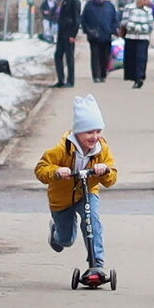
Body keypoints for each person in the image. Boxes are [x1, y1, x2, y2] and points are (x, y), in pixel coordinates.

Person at [34, 94, 118, 275]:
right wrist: (56, 172)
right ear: (77, 131)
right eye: (89, 132)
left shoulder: (102, 149)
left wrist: (105, 171)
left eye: (98, 131)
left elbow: (111, 179)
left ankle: (97, 265)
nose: (94, 137)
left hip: (87, 192)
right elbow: (40, 169)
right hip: (62, 199)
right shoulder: (61, 149)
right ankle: (56, 233)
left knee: (92, 222)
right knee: (66, 240)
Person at [81, 0, 120, 83]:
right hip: (94, 35)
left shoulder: (109, 5)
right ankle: (96, 76)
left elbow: (114, 19)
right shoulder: (89, 5)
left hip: (106, 35)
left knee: (105, 56)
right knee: (95, 56)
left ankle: (103, 74)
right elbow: (84, 19)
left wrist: (115, 30)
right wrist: (87, 30)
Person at [121, 0, 154, 88]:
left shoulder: (148, 10)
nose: (146, 1)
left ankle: (139, 78)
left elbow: (150, 25)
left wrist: (138, 28)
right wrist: (136, 27)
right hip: (130, 37)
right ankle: (132, 76)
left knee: (141, 58)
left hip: (143, 38)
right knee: (131, 58)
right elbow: (124, 22)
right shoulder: (129, 8)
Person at [53, 0, 81, 88]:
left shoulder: (75, 1)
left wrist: (73, 35)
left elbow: (77, 19)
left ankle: (70, 80)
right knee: (58, 56)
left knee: (69, 58)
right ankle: (61, 79)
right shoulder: (66, 0)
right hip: (61, 33)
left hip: (69, 34)